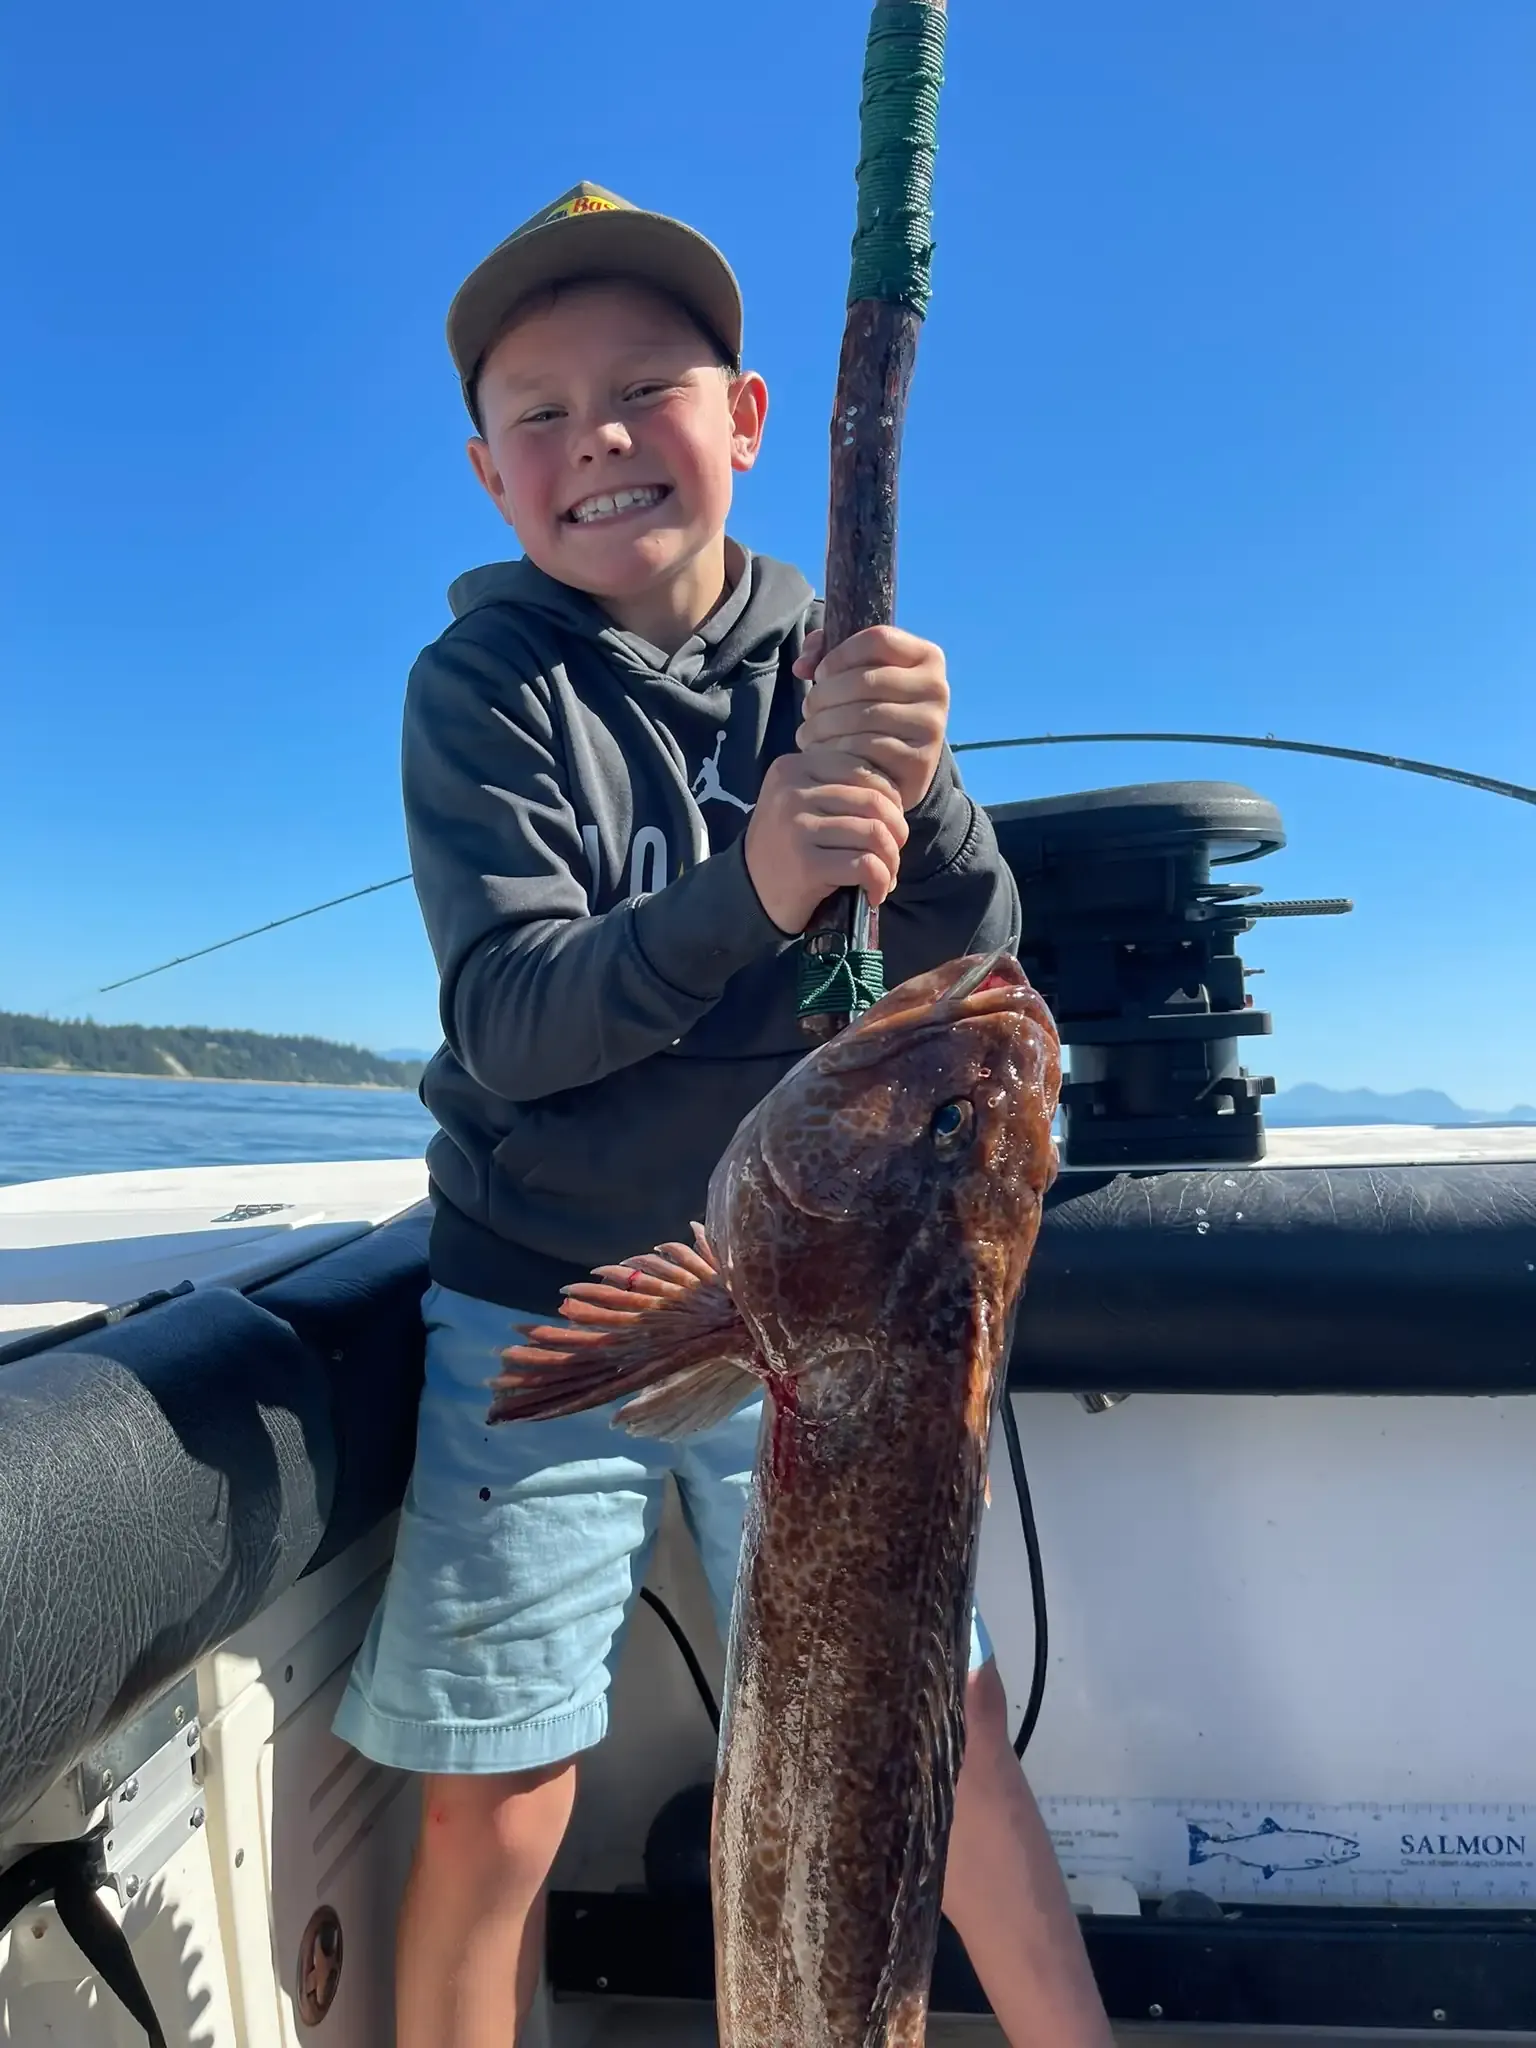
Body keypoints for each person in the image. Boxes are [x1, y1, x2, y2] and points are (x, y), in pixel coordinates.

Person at [334, 181, 1112, 2048]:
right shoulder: (483, 691)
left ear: (748, 419)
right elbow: (513, 1020)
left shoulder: (835, 652)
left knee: (941, 1738)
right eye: (540, 410)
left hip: (835, 1324)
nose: (594, 435)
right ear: (488, 471)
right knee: (498, 1784)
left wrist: (912, 795)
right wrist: (750, 883)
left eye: (645, 386)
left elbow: (975, 963)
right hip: (550, 1299)